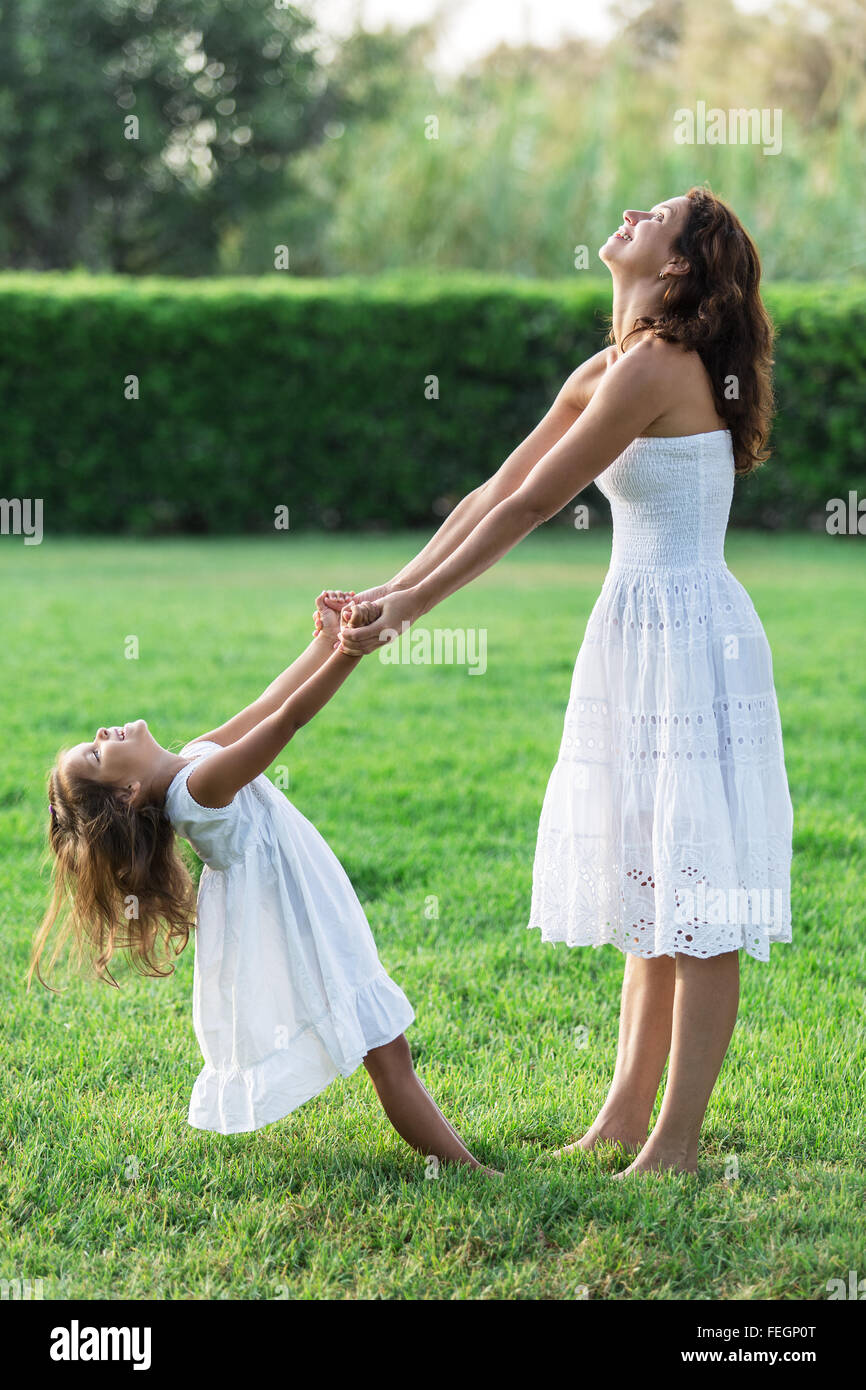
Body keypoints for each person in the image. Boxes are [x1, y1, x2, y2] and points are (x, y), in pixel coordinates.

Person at [320, 186, 793, 1176]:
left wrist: (408, 614)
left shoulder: (659, 367)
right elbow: (493, 489)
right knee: (649, 879)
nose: (626, 213)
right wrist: (390, 587)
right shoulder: (613, 362)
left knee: (694, 894)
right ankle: (623, 1113)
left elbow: (535, 503)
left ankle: (674, 1140)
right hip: (636, 628)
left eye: (651, 215)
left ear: (672, 267)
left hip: (688, 633)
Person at [30, 592, 497, 1175]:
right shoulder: (197, 791)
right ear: (126, 794)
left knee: (387, 1048)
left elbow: (269, 702)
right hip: (307, 926)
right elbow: (287, 721)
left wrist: (324, 640)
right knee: (387, 1049)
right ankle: (466, 1171)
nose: (102, 733)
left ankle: (460, 1161)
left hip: (309, 906)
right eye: (96, 754)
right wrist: (350, 653)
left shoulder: (192, 762)